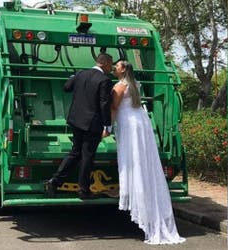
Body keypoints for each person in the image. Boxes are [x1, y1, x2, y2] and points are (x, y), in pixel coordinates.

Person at [108, 60, 186, 244]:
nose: (114, 68)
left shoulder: (119, 86)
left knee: (132, 160)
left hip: (128, 124)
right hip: (141, 121)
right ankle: (148, 209)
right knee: (143, 160)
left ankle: (139, 204)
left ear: (124, 69)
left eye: (117, 66)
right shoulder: (136, 84)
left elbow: (114, 108)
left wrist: (108, 128)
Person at [45, 53, 114, 199]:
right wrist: (107, 125)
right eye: (111, 64)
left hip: (76, 120)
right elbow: (104, 103)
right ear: (105, 63)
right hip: (92, 123)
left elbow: (66, 87)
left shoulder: (81, 73)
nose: (111, 68)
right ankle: (83, 190)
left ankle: (54, 181)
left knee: (75, 152)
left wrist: (74, 79)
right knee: (87, 156)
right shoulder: (105, 80)